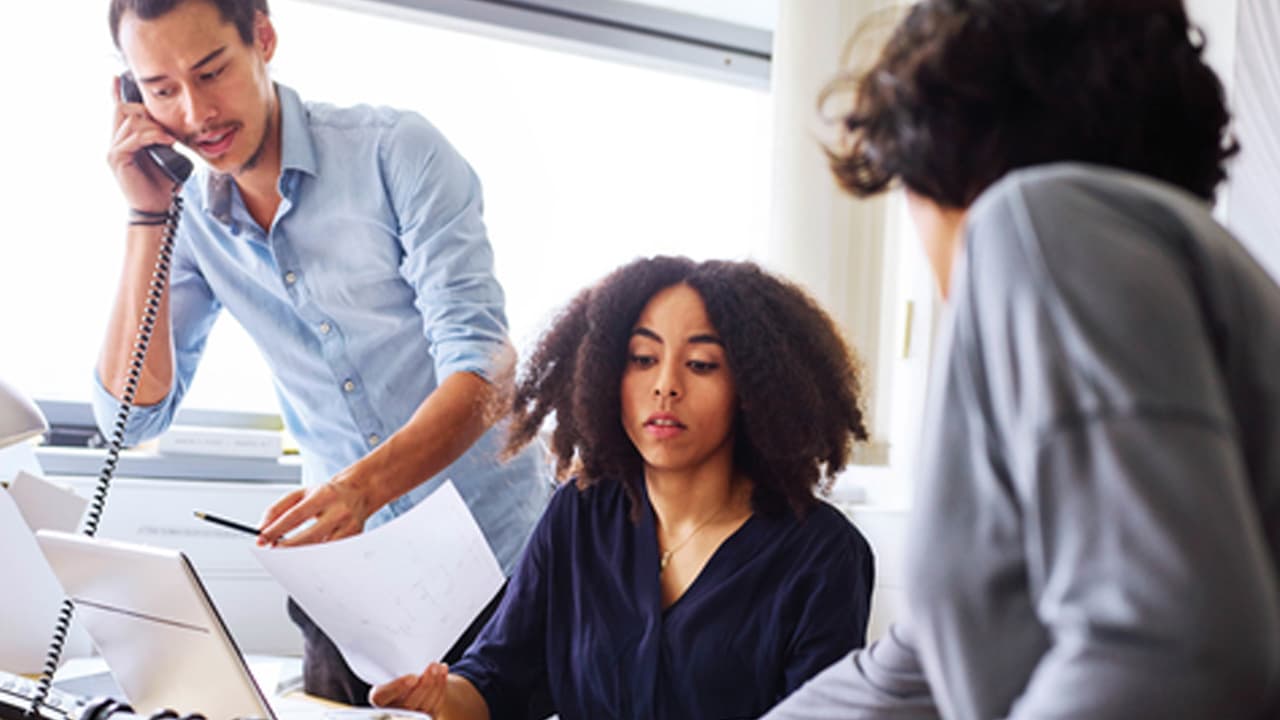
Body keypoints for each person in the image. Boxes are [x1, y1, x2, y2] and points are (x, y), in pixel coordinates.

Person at [764, 1, 1280, 718]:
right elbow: (907, 676)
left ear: (931, 152)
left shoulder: (1039, 224)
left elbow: (1169, 653)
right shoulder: (1203, 281)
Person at [98, 0, 551, 704]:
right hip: (352, 590)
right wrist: (145, 213)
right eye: (161, 89)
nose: (196, 113)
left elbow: (484, 369)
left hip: (499, 570)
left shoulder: (395, 151)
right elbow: (130, 421)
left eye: (211, 72)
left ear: (264, 37)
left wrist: (361, 488)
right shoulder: (188, 221)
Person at [367, 256, 876, 719]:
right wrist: (440, 701)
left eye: (700, 364)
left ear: (754, 389)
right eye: (642, 359)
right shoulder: (580, 514)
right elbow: (497, 679)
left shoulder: (823, 557)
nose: (665, 386)